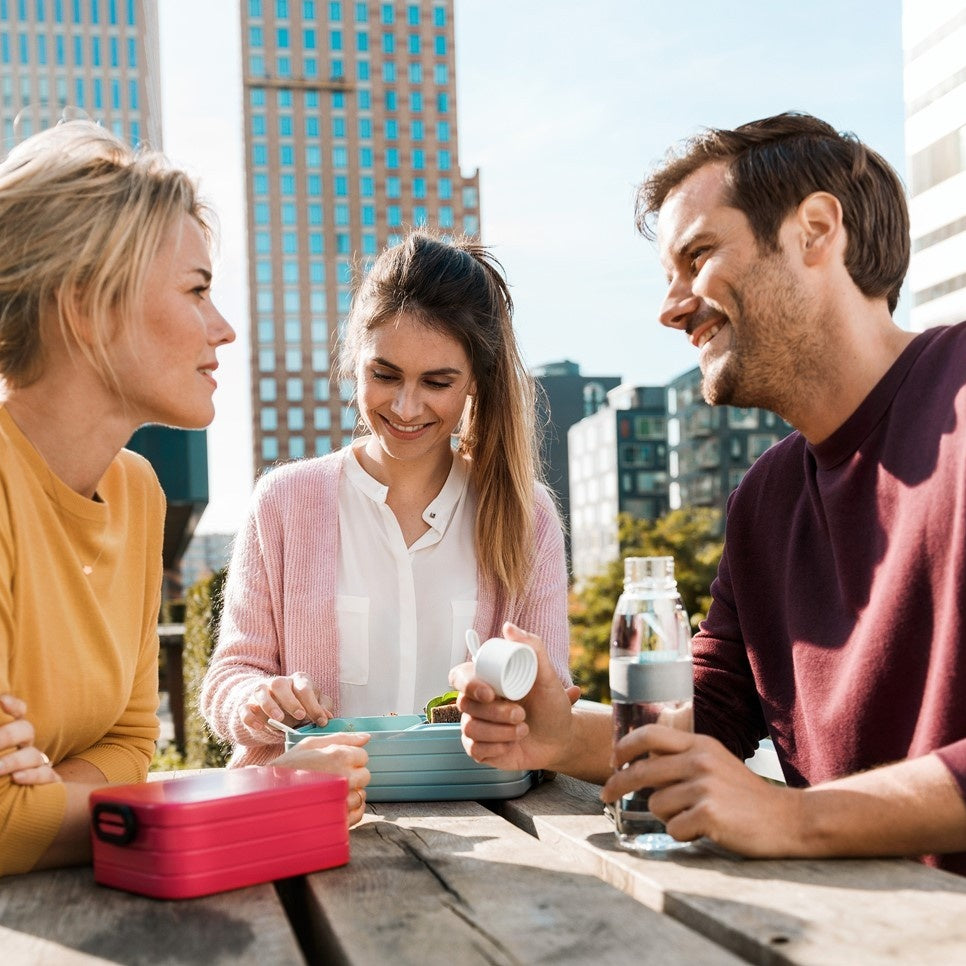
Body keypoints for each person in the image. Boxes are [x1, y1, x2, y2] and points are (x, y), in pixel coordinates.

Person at [450, 112, 966, 875]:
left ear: (815, 231)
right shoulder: (765, 497)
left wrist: (796, 816)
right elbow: (710, 717)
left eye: (697, 257)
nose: (671, 307)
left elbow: (770, 803)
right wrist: (557, 732)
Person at [0, 121, 363, 878]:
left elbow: (131, 747)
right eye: (197, 290)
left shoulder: (136, 492)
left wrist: (52, 798)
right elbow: (6, 822)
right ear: (87, 306)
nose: (224, 328)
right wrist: (261, 789)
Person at [201, 231, 574, 769]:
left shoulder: (527, 516)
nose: (405, 406)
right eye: (385, 375)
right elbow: (229, 679)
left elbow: (550, 694)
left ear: (474, 382)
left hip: (483, 815)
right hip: (318, 811)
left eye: (437, 382)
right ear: (356, 361)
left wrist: (518, 705)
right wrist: (259, 700)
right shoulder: (283, 503)